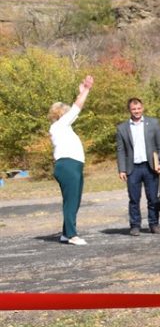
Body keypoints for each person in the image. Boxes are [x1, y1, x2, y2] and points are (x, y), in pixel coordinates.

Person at [48, 74, 94, 245]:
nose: (70, 113)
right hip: (67, 165)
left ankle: (66, 233)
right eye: (67, 111)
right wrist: (87, 90)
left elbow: (75, 107)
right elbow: (77, 108)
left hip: (72, 166)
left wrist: (81, 92)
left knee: (73, 199)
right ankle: (72, 235)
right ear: (61, 113)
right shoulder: (59, 125)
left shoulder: (63, 128)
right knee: (71, 200)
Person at [115, 97, 160, 235]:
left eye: (138, 108)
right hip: (132, 168)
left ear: (142, 108)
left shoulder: (154, 123)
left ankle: (154, 224)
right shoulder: (122, 128)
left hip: (151, 166)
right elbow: (120, 150)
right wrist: (122, 169)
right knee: (134, 199)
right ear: (129, 110)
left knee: (153, 197)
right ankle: (135, 225)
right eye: (133, 109)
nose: (136, 111)